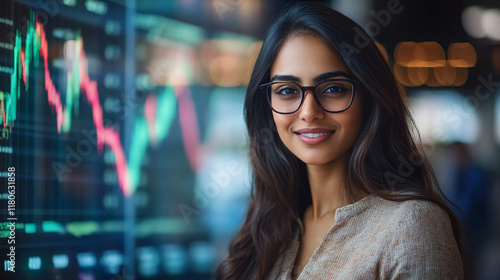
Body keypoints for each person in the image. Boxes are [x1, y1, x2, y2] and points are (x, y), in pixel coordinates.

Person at [216, 2, 463, 279]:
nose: (309, 112)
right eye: (286, 90)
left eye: (333, 88)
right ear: (267, 106)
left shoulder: (412, 225)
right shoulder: (266, 225)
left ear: (369, 98)